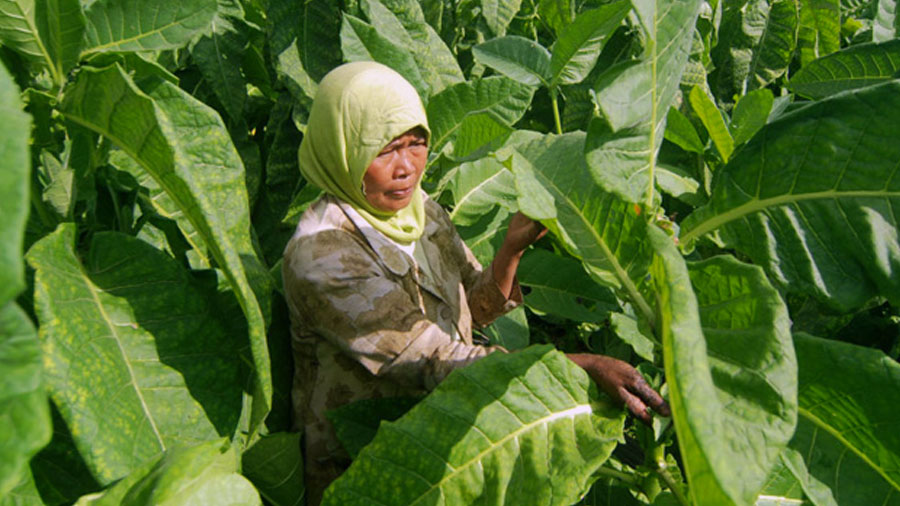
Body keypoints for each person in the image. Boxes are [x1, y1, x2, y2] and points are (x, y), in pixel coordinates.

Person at [282, 61, 669, 505]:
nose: (406, 167)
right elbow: (432, 359)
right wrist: (580, 366)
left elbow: (472, 309)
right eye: (386, 150)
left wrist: (511, 252)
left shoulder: (419, 212)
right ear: (343, 149)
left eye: (417, 144)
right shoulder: (322, 255)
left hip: (446, 433)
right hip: (361, 459)